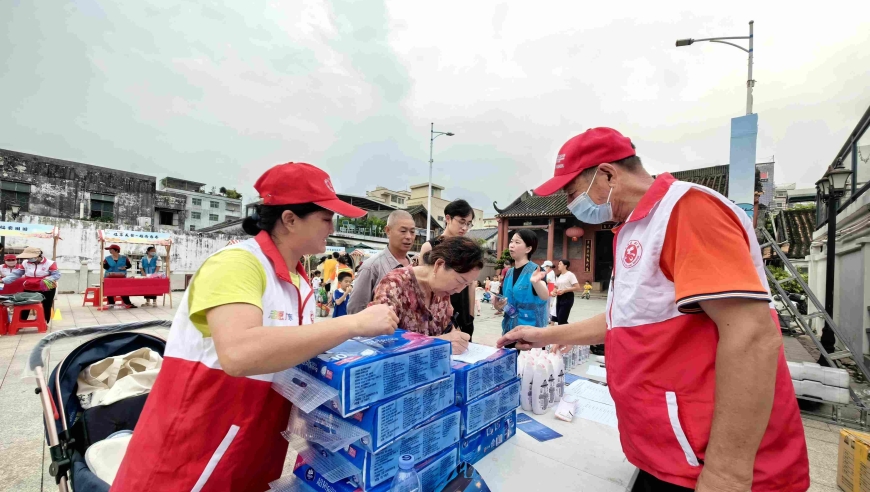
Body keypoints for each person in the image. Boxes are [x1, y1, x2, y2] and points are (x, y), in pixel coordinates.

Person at [497, 128, 808, 491]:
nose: (570, 206)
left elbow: (752, 335)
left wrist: (727, 473)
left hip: (708, 464)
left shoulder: (687, 211)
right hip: (667, 453)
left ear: (609, 174)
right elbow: (624, 320)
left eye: (572, 192)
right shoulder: (633, 227)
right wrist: (542, 335)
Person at [112, 162, 398, 491]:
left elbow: (295, 347)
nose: (332, 227)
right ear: (290, 219)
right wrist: (353, 323)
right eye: (326, 218)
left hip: (256, 440)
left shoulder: (300, 281)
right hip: (197, 441)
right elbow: (239, 353)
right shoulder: (237, 264)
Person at [370, 236, 483, 354]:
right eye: (459, 281)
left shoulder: (442, 291)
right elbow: (379, 341)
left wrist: (457, 339)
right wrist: (437, 343)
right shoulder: (394, 284)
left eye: (466, 285)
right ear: (439, 265)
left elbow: (448, 330)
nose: (459, 290)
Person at [419, 199, 477, 340]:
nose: (465, 227)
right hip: (437, 312)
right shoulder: (430, 247)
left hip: (462, 308)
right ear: (448, 218)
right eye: (462, 222)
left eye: (468, 224)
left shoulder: (469, 248)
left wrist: (470, 316)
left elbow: (471, 284)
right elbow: (422, 284)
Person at [347, 210, 415, 314]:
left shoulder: (415, 267)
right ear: (388, 231)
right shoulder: (371, 267)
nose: (409, 236)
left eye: (412, 232)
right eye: (403, 231)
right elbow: (356, 310)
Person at [492, 230, 549, 334]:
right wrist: (498, 306)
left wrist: (535, 282)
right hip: (509, 328)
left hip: (530, 330)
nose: (511, 245)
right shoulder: (509, 272)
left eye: (517, 242)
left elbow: (545, 295)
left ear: (528, 248)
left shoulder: (536, 271)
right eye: (511, 241)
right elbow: (504, 299)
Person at [2, 246, 60, 320]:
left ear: (38, 256)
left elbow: (56, 275)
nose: (28, 259)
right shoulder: (25, 263)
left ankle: (44, 322)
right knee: (24, 305)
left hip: (46, 287)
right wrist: (4, 280)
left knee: (46, 306)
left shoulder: (50, 263)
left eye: (30, 257)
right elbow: (17, 273)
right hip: (29, 286)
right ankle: (21, 322)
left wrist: (46, 280)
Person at [102, 244, 136, 308]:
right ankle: (111, 303)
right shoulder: (107, 258)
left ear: (116, 250)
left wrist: (125, 267)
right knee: (110, 290)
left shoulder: (124, 258)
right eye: (109, 250)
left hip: (121, 276)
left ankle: (127, 303)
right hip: (110, 276)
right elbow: (105, 267)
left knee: (123, 289)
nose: (110, 251)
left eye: (111, 249)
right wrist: (103, 264)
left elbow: (129, 265)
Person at [552, 260, 580, 325]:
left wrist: (565, 290)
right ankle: (564, 332)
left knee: (562, 318)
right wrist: (553, 292)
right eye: (558, 264)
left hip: (568, 297)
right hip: (559, 297)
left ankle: (566, 332)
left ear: (565, 266)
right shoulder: (559, 275)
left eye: (560, 264)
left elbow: (577, 287)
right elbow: (556, 287)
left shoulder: (570, 275)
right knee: (559, 318)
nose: (558, 265)